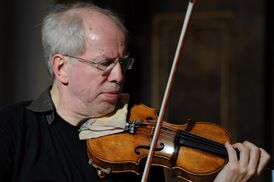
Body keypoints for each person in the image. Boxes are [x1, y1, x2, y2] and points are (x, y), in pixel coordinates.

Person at [0, 2, 271, 182]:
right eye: (104, 63)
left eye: (122, 62)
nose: (118, 76)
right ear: (61, 68)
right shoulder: (11, 130)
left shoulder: (143, 143)